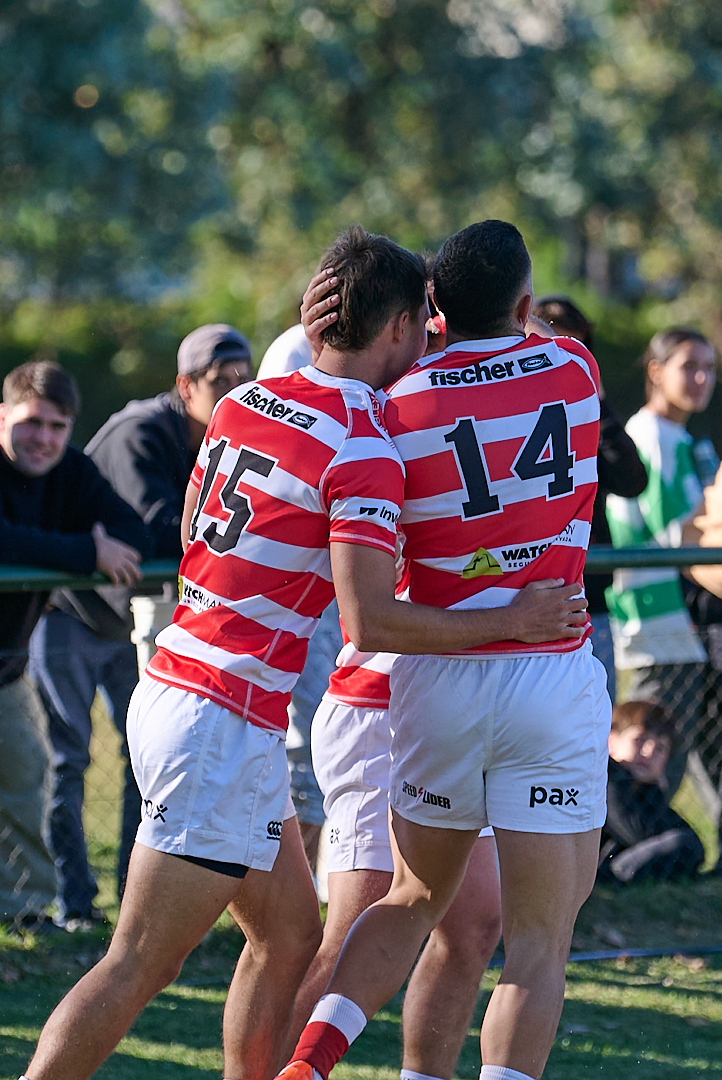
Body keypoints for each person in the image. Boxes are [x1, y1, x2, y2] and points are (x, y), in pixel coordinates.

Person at [20, 226, 587, 1080]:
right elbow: (370, 621)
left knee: (288, 939)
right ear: (401, 324)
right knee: (139, 961)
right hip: (216, 717)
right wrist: (519, 617)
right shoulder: (363, 443)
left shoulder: (245, 400)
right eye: (419, 321)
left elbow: (194, 530)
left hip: (199, 688)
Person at [279, 220, 609, 1080]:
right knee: (537, 942)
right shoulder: (575, 368)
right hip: (548, 671)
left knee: (413, 898)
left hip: (434, 682)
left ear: (431, 309)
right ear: (525, 304)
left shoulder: (397, 406)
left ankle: (309, 1063)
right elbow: (531, 342)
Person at [26, 325, 252, 925]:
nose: (236, 388)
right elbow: (157, 531)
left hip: (138, 619)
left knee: (143, 760)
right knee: (67, 759)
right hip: (74, 612)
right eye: (220, 379)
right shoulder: (142, 431)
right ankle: (73, 903)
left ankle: (133, 903)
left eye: (245, 376)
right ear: (185, 385)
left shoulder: (228, 434)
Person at [0, 360, 146, 934]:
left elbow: (132, 532)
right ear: (3, 416)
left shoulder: (72, 472)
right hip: (17, 657)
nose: (43, 438)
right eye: (31, 422)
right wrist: (86, 553)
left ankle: (27, 914)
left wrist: (82, 547)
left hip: (7, 668)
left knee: (28, 779)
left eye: (57, 426)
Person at [605, 329, 719, 799]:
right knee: (647, 765)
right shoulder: (650, 434)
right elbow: (679, 534)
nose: (702, 379)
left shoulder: (680, 436)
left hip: (684, 624)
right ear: (655, 371)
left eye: (709, 368)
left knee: (683, 761)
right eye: (689, 366)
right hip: (656, 623)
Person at [532, 296, 648, 701]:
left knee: (596, 723)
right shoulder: (509, 408)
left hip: (588, 602)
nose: (565, 360)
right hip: (519, 598)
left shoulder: (590, 411)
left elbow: (632, 480)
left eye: (576, 349)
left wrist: (596, 399)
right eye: (554, 348)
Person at [258, 323, 337, 871]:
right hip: (302, 586)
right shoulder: (295, 349)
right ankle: (294, 890)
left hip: (327, 579)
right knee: (304, 747)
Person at [598, 700, 705, 884]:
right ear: (610, 740)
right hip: (602, 867)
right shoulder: (606, 778)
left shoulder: (644, 790)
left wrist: (654, 789)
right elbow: (636, 833)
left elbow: (674, 830)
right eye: (640, 740)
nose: (648, 752)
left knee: (685, 842)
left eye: (660, 748)